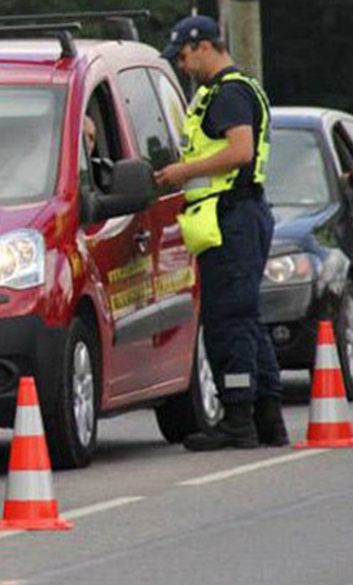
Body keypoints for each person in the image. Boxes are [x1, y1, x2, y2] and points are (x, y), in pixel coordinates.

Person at [154, 16, 288, 450]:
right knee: (246, 318)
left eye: (185, 55)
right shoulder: (226, 90)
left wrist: (181, 172)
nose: (182, 64)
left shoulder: (229, 92)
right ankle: (267, 419)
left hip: (232, 217)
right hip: (235, 215)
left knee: (228, 319)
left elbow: (239, 150)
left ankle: (238, 419)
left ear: (205, 46)